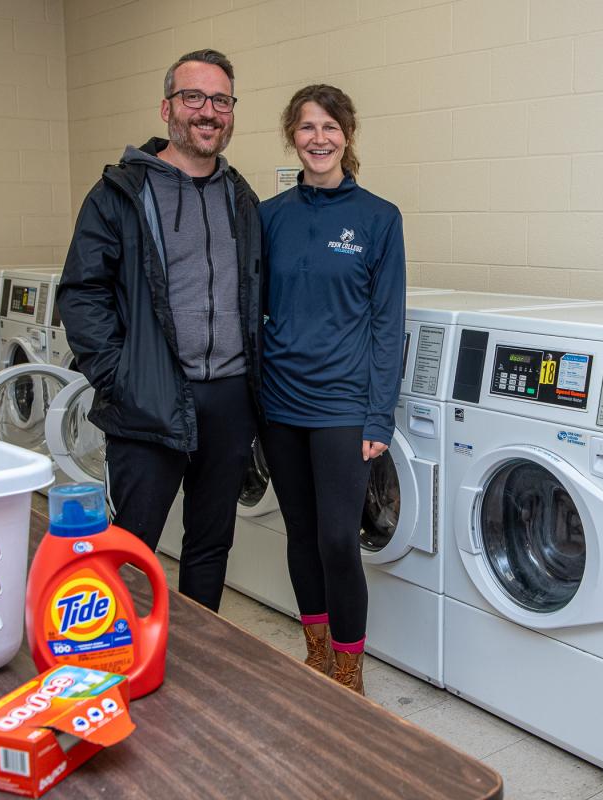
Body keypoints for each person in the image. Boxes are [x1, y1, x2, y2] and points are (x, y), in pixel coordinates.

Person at [57, 49, 263, 612]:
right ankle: (112, 655)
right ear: (167, 107)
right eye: (194, 97)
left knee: (210, 542)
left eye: (221, 100)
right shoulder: (119, 195)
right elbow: (82, 292)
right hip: (148, 395)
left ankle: (197, 655)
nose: (208, 111)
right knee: (130, 544)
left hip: (230, 395)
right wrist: (118, 375)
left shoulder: (242, 199)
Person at [258, 85, 406, 694]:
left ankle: (349, 671)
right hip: (279, 401)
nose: (318, 139)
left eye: (330, 127)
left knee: (338, 539)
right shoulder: (269, 217)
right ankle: (316, 653)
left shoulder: (378, 218)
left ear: (348, 134)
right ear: (292, 136)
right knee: (298, 533)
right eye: (306, 127)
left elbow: (387, 323)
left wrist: (379, 417)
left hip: (343, 403)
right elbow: (252, 309)